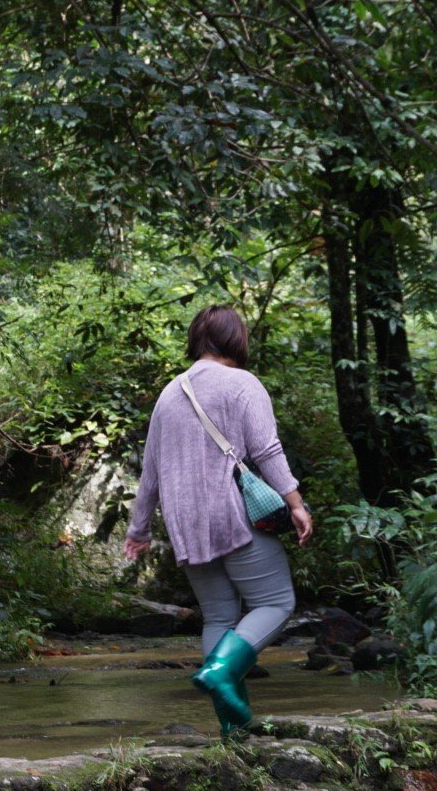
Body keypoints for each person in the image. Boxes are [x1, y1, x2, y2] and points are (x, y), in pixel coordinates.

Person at [123, 305, 313, 737]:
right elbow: (266, 451)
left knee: (218, 618)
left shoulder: (168, 394)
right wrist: (296, 503)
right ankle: (224, 675)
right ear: (236, 339)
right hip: (232, 514)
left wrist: (139, 531)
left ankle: (235, 729)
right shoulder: (242, 384)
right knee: (276, 603)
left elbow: (150, 473)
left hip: (184, 523)